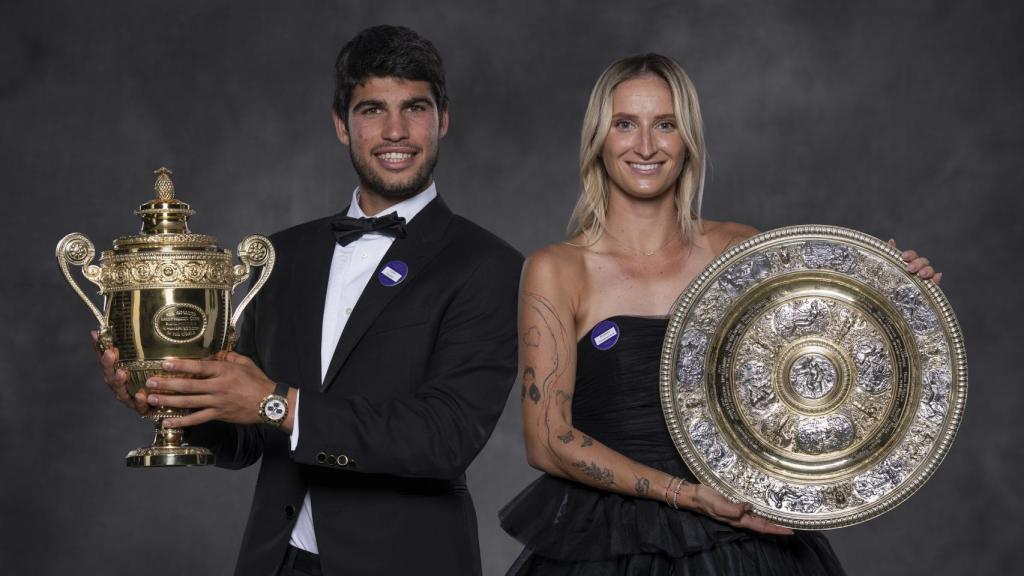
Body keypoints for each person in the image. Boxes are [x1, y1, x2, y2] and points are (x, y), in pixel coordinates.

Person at [96, 25, 522, 576]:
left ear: (442, 118)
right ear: (341, 125)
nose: (396, 131)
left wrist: (277, 402)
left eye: (414, 108)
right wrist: (168, 401)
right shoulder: (280, 256)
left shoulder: (488, 265)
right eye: (372, 110)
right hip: (278, 561)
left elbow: (443, 438)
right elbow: (246, 436)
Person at [499, 53, 940, 575]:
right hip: (609, 546)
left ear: (687, 140)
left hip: (744, 539)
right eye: (625, 125)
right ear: (599, 138)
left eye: (665, 124)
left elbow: (819, 365)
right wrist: (687, 495)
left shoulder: (740, 249)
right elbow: (549, 442)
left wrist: (894, 292)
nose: (645, 146)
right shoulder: (557, 269)